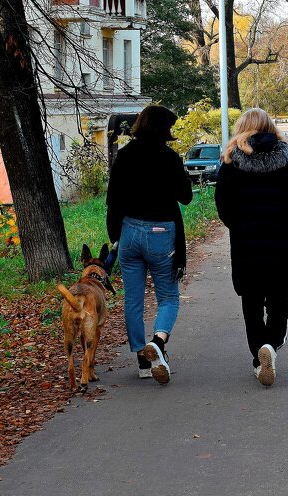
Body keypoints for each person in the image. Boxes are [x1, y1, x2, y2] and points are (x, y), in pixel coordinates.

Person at [215, 108, 288, 386]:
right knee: (281, 300)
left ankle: (259, 358)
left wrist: (239, 227)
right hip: (281, 243)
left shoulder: (231, 162)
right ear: (270, 127)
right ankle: (271, 344)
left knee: (252, 302)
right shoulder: (287, 159)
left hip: (246, 244)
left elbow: (223, 204)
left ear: (242, 127)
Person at [106, 105, 192, 384]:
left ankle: (143, 361)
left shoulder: (125, 155)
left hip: (129, 230)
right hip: (161, 231)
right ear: (164, 129)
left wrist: (115, 236)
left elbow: (113, 199)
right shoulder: (169, 158)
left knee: (133, 299)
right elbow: (186, 196)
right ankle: (158, 342)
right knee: (168, 296)